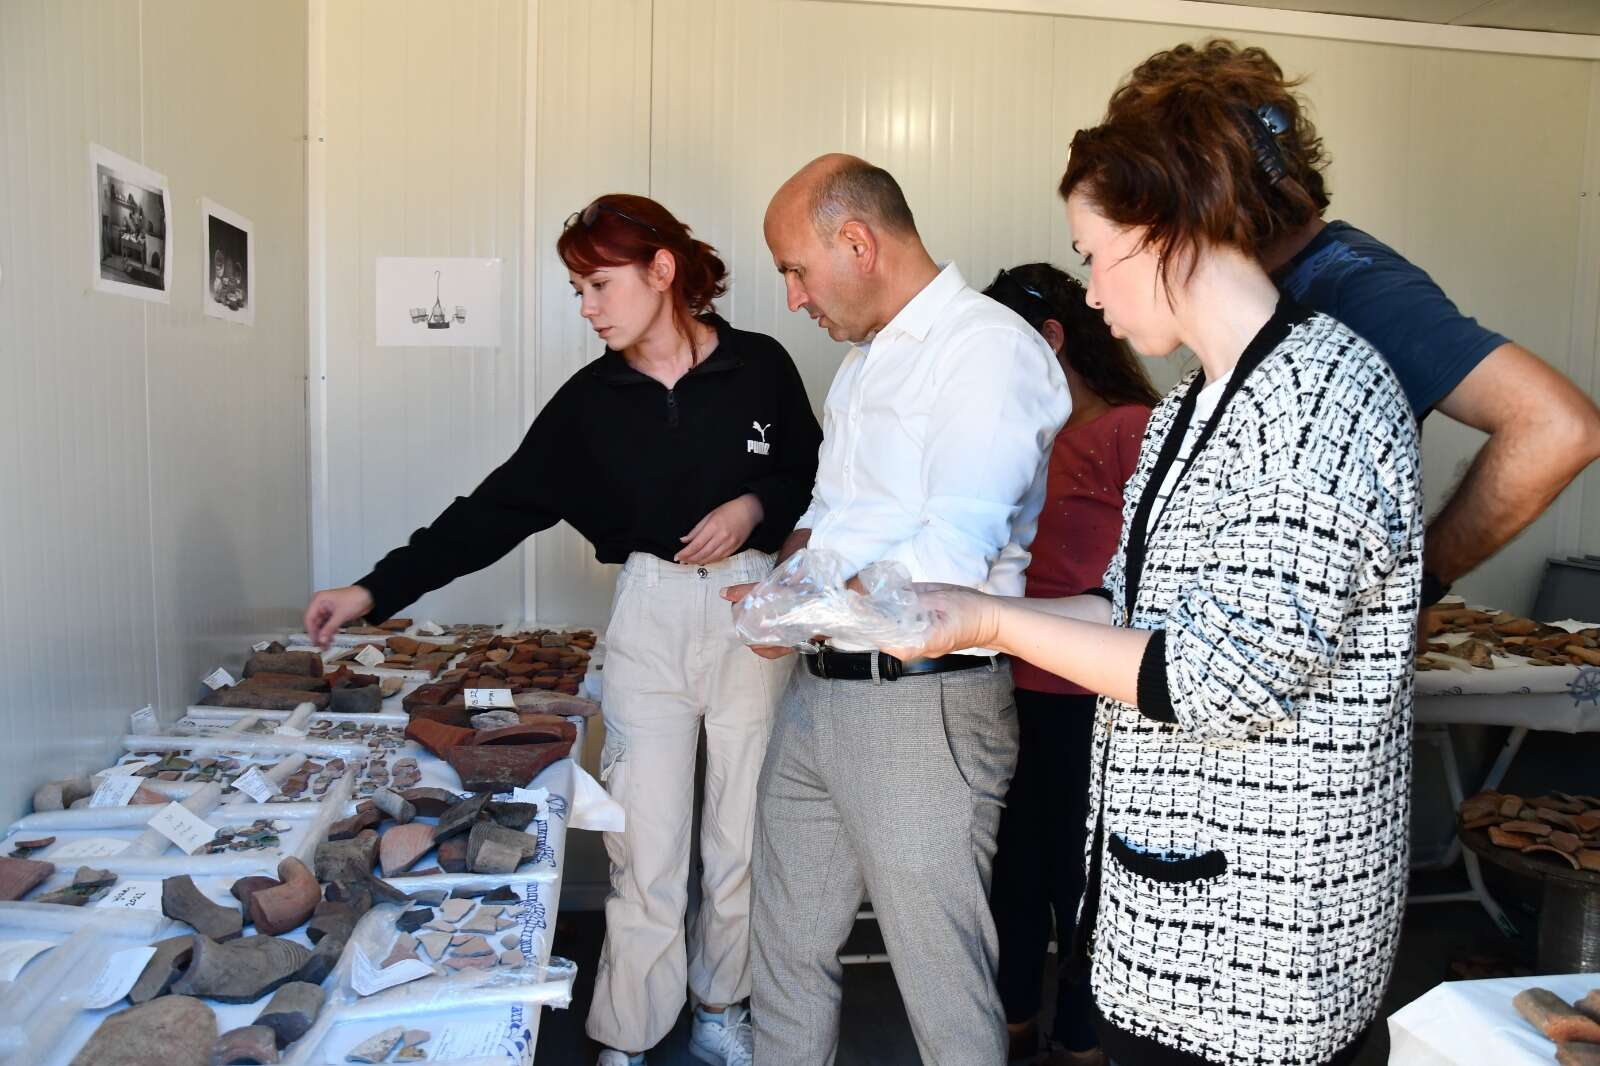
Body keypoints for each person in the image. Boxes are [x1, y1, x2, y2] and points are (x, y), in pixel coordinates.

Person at [878, 74, 1423, 1066]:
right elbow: (1129, 609)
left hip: (1264, 951)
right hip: (1162, 925)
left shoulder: (1320, 398)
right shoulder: (1185, 410)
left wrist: (989, 623)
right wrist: (958, 605)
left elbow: (1221, 676)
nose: (1090, 291)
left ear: (1168, 227)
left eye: (1093, 254)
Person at [303, 194, 821, 1066]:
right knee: (644, 844)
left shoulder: (761, 366)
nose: (586, 307)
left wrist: (753, 506)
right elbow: (492, 512)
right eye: (578, 289)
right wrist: (372, 589)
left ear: (662, 271)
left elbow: (811, 475)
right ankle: (630, 1031)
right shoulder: (590, 404)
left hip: (756, 608)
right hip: (651, 612)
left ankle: (720, 1005)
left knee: (743, 838)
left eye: (599, 284)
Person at [724, 154, 1071, 1065]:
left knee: (940, 979)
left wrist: (796, 610)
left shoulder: (986, 349)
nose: (794, 298)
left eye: (796, 270)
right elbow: (826, 521)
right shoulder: (863, 364)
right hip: (820, 691)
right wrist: (778, 594)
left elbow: (945, 567)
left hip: (924, 700)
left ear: (857, 242)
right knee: (785, 949)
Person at [1104, 39, 1600, 612]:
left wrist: (1420, 581)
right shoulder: (1266, 291)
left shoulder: (1357, 285)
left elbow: (1559, 427)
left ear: (1202, 182)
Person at [980, 264, 1158, 1066]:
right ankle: (1014, 1019)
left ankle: (1083, 1036)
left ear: (1051, 339)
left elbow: (1150, 580)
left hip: (1096, 695)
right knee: (1014, 865)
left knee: (1085, 877)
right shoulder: (1017, 438)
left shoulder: (1130, 429)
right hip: (1007, 684)